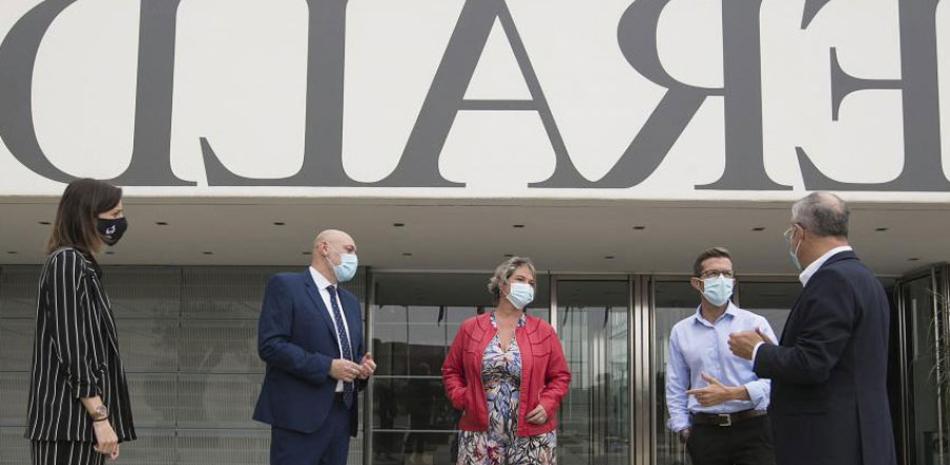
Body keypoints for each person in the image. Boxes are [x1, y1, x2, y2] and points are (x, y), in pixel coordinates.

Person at [728, 192, 897, 465]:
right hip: (861, 439)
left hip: (829, 444)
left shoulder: (832, 280)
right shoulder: (865, 279)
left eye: (789, 233)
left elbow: (812, 363)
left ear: (798, 233)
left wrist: (758, 351)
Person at [26, 178, 136, 465]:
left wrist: (105, 422)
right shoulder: (67, 262)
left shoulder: (83, 266)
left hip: (79, 425)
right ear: (86, 216)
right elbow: (72, 347)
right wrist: (100, 417)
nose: (120, 222)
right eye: (113, 215)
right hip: (68, 423)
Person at [253, 229, 376, 465]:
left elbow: (351, 353)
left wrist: (362, 368)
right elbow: (270, 345)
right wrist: (327, 366)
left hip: (341, 414)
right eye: (349, 250)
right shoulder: (286, 286)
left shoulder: (350, 302)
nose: (354, 258)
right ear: (324, 248)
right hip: (298, 415)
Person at [442, 257, 571, 465]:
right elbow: (451, 371)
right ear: (502, 285)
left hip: (532, 437)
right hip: (479, 437)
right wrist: (463, 399)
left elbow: (560, 377)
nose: (527, 286)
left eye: (531, 283)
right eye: (520, 279)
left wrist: (548, 404)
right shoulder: (470, 328)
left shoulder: (543, 331)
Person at [665, 247, 777, 465]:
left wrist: (734, 393)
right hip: (706, 433)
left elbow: (776, 377)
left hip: (754, 428)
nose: (722, 279)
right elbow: (675, 383)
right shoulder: (681, 331)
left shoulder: (755, 324)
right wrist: (683, 428)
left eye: (727, 274)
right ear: (697, 283)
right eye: (713, 274)